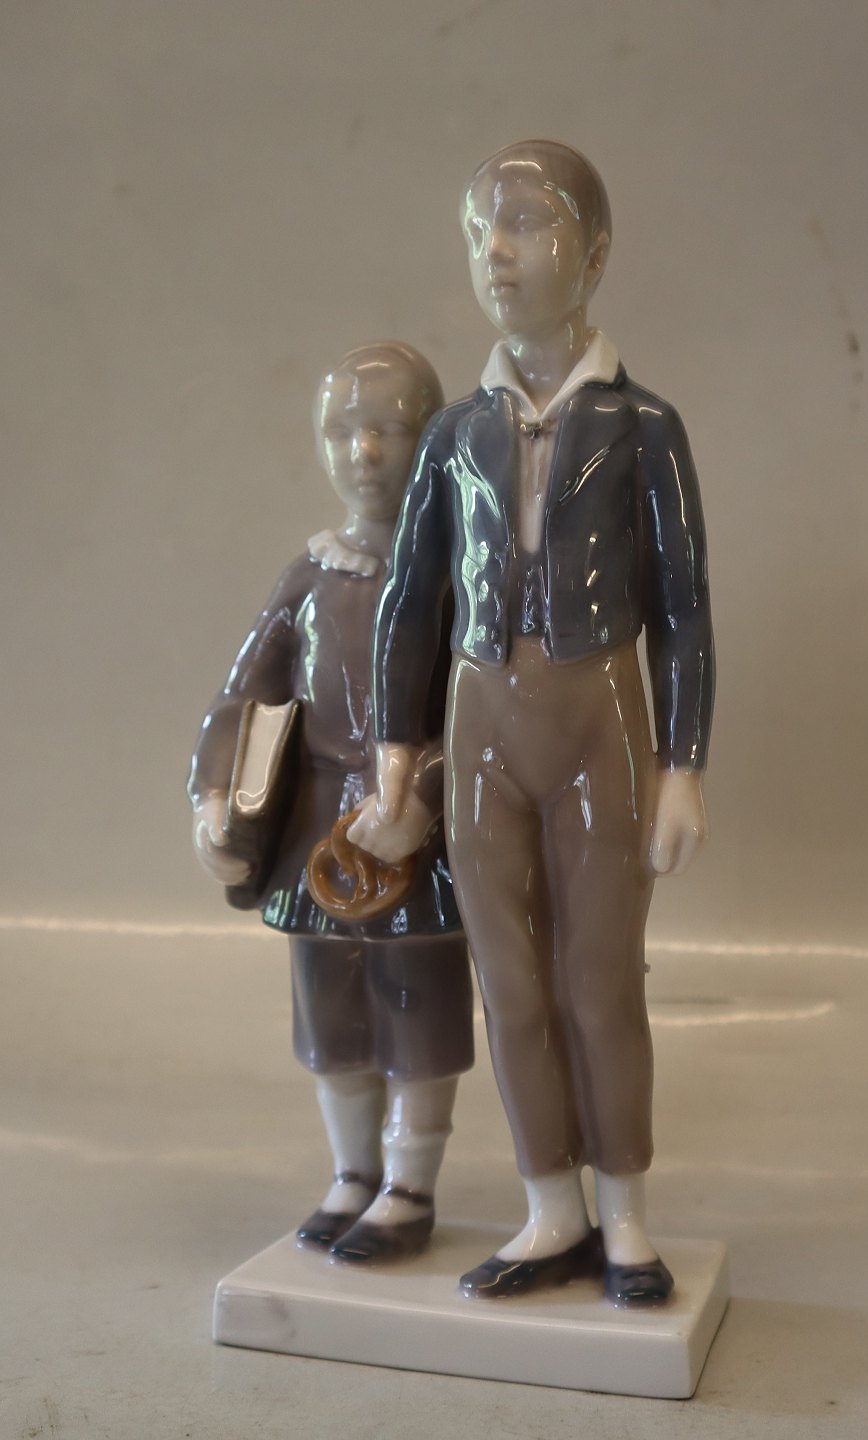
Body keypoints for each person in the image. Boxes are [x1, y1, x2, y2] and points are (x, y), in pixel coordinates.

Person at [350, 142, 714, 1305]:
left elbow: (683, 608)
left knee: (600, 980)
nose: (496, 253)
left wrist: (682, 764)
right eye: (479, 230)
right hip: (482, 722)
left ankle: (625, 1211)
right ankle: (548, 1204)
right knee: (509, 981)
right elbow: (413, 597)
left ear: (593, 253)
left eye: (527, 222)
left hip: (600, 715)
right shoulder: (455, 434)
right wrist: (396, 755)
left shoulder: (643, 425)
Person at [188, 342, 473, 1264]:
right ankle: (352, 1172)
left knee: (418, 1011)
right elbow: (245, 693)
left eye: (390, 429)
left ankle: (408, 1185)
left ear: (431, 441)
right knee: (331, 1013)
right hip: (318, 835)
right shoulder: (310, 577)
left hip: (416, 840)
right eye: (342, 431)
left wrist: (424, 794)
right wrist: (215, 796)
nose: (364, 453)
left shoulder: (460, 574)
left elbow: (488, 713)